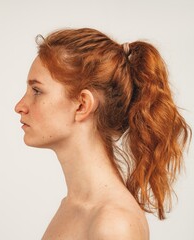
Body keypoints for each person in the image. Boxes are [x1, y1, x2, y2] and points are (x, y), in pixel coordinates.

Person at [14, 28, 191, 240]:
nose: (19, 106)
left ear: (82, 105)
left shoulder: (113, 224)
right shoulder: (73, 205)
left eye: (37, 91)